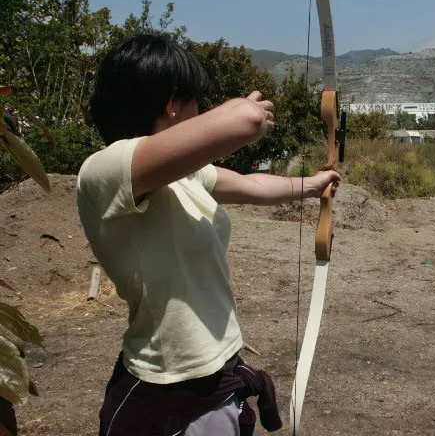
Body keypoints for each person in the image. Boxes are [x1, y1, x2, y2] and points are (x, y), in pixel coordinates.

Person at [77, 34, 340, 435]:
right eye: (195, 100)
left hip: (216, 376)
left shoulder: (177, 176)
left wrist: (312, 184)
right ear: (172, 102)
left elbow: (250, 186)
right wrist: (246, 112)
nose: (201, 111)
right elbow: (245, 121)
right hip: (167, 393)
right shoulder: (106, 170)